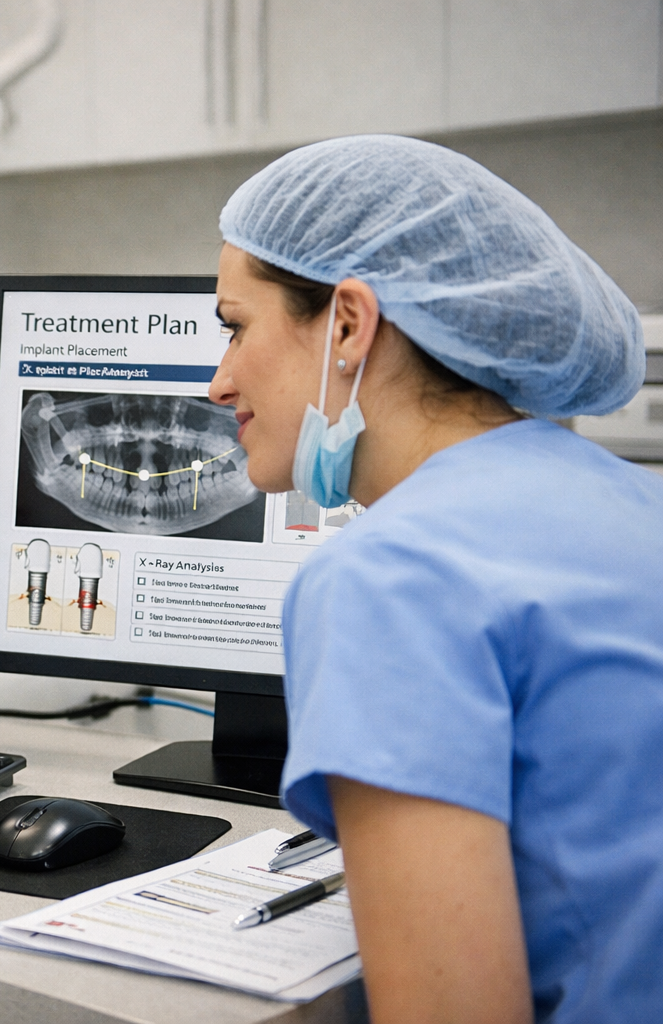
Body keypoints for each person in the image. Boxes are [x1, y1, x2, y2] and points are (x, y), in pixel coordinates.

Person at [207, 134, 663, 1024]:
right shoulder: (633, 503)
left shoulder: (394, 577)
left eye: (236, 327)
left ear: (347, 323)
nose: (220, 382)